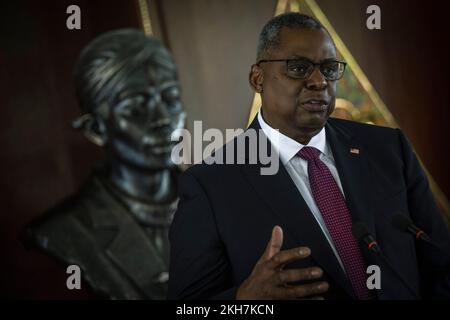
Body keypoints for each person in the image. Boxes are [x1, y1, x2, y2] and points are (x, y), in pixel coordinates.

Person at [168, 13, 450, 300]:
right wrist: (244, 299)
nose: (318, 81)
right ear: (257, 78)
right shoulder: (210, 185)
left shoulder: (389, 148)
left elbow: (441, 263)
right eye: (299, 68)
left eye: (329, 69)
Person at [24, 29, 186, 299]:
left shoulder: (222, 203)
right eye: (135, 108)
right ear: (96, 129)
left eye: (170, 99)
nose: (162, 119)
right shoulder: (62, 235)